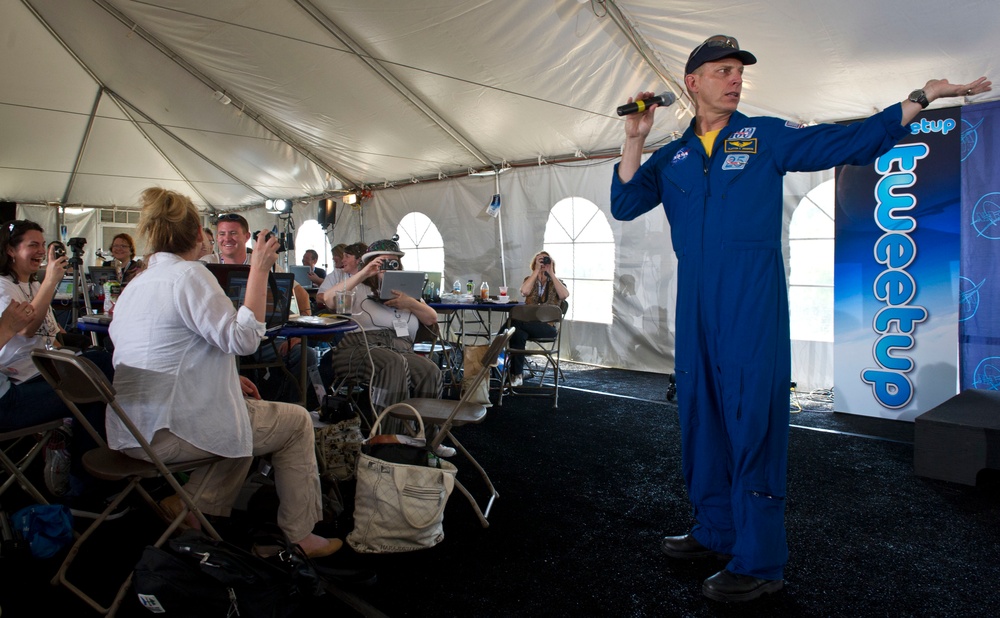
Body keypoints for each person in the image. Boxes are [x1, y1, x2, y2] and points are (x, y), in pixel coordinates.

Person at [611, 34, 991, 602]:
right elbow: (624, 202)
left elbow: (844, 140)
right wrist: (634, 139)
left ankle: (760, 561)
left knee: (752, 419)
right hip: (695, 302)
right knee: (701, 414)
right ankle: (715, 529)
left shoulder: (763, 136)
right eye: (722, 71)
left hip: (751, 299)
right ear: (692, 83)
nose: (735, 79)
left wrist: (920, 97)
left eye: (739, 71)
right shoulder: (674, 156)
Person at [108, 188, 340, 558]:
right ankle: (299, 535)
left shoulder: (138, 283)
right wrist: (260, 269)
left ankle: (193, 513)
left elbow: (166, 353)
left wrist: (227, 380)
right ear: (195, 234)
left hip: (132, 427)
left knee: (239, 415)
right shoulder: (190, 276)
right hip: (171, 433)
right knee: (294, 421)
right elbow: (244, 339)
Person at [0, 220, 114, 492]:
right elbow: (27, 328)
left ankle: (86, 480)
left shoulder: (29, 284)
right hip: (21, 381)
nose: (41, 251)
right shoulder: (5, 288)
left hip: (42, 368)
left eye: (43, 244)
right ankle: (88, 482)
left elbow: (49, 328)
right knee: (104, 374)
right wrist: (51, 280)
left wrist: (73, 343)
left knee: (100, 376)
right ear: (10, 251)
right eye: (33, 245)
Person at [320, 239, 442, 419]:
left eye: (393, 262)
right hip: (359, 347)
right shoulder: (357, 288)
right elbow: (329, 299)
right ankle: (390, 436)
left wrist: (409, 302)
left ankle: (427, 438)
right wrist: (363, 273)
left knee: (430, 370)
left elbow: (431, 318)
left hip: (401, 350)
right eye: (382, 262)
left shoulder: (406, 292)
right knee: (393, 363)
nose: (388, 267)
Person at [212, 213, 317, 401]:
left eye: (233, 233)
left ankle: (283, 407)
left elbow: (300, 293)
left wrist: (299, 332)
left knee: (305, 355)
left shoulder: (265, 262)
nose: (226, 238)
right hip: (221, 339)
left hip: (265, 338)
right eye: (222, 233)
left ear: (246, 236)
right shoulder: (206, 262)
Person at [507, 251, 569, 387]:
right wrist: (536, 272)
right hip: (528, 325)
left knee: (513, 324)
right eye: (540, 261)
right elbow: (525, 292)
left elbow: (564, 295)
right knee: (517, 332)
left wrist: (551, 273)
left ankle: (496, 351)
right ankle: (517, 376)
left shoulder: (557, 283)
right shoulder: (529, 280)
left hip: (547, 328)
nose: (543, 263)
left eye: (546, 261)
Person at [315, 243, 348, 310]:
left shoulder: (359, 274)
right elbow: (319, 297)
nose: (333, 258)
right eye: (333, 255)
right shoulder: (335, 273)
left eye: (335, 255)